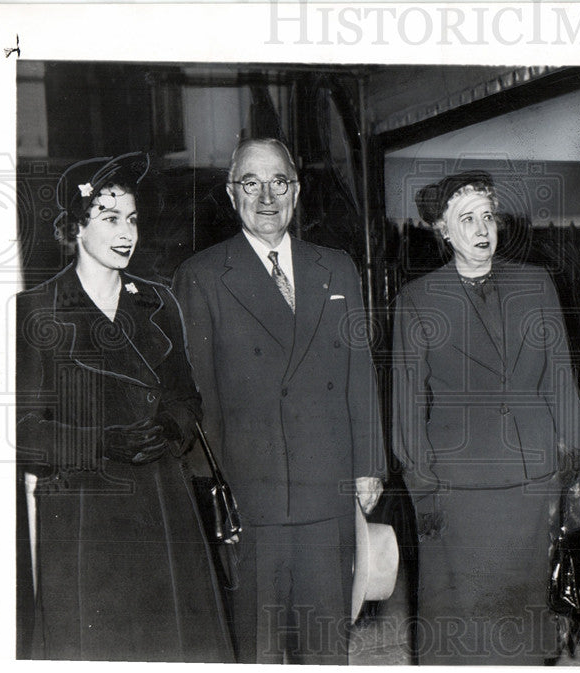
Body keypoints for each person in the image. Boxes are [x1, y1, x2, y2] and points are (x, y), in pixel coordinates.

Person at [172, 138, 385, 664]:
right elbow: (200, 399)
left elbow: (360, 373)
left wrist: (369, 465)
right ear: (231, 192)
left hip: (328, 493)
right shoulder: (201, 276)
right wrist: (213, 492)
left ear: (296, 188)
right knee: (258, 649)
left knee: (326, 647)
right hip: (252, 498)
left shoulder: (337, 267)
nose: (266, 195)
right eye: (251, 182)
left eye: (279, 182)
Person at [16, 153, 233, 662]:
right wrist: (99, 441)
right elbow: (21, 429)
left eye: (132, 219)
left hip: (163, 503)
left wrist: (171, 428)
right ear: (73, 227)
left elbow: (187, 397)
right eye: (109, 218)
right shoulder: (36, 310)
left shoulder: (158, 302)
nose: (126, 232)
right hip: (84, 511)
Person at [392, 170, 580, 665]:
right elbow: (408, 407)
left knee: (523, 627)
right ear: (442, 230)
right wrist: (422, 489)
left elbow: (561, 377)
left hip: (531, 481)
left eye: (487, 217)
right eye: (466, 219)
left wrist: (577, 459)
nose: (481, 229)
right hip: (459, 490)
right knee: (462, 630)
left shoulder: (537, 283)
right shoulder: (417, 301)